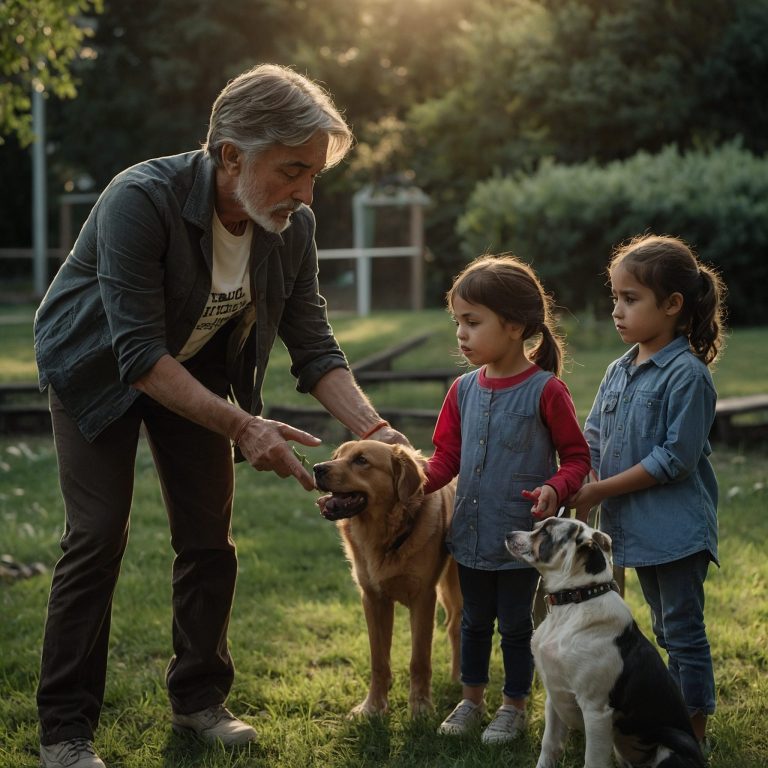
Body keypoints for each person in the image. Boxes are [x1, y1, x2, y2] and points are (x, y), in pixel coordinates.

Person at [33, 64, 407, 768]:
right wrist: (244, 425)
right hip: (95, 368)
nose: (304, 191)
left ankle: (199, 700)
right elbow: (139, 354)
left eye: (314, 175)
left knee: (209, 539)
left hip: (197, 368)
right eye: (292, 170)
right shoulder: (139, 200)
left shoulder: (290, 228)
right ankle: (64, 731)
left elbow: (314, 343)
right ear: (231, 155)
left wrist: (375, 429)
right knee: (96, 538)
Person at [422, 254, 591, 744]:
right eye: (458, 323)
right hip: (469, 539)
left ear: (515, 326)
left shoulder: (546, 390)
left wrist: (554, 488)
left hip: (521, 543)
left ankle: (513, 706)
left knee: (516, 627)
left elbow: (577, 458)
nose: (461, 334)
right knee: (473, 623)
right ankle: (471, 700)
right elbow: (444, 460)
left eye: (472, 323)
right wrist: (411, 485)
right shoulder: (461, 390)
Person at [569, 234, 726, 751]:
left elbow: (673, 460)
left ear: (673, 305)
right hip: (630, 527)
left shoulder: (687, 376)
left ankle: (692, 735)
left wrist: (601, 490)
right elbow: (592, 435)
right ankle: (673, 720)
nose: (616, 310)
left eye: (630, 299)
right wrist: (572, 477)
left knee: (681, 631)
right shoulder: (619, 369)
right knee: (660, 629)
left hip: (676, 531)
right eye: (614, 297)